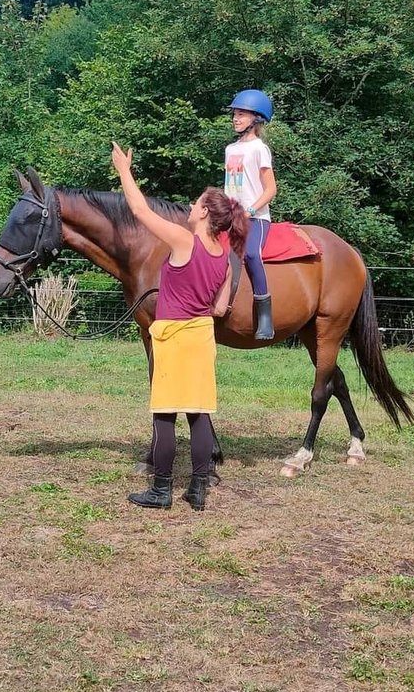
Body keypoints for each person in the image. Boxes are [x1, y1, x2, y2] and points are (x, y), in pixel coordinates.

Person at [111, 142, 249, 511]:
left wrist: (124, 170)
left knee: (164, 414)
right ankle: (199, 489)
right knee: (199, 413)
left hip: (173, 335)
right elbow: (221, 308)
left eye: (195, 202)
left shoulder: (184, 240)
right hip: (201, 336)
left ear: (204, 212)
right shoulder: (224, 257)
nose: (190, 206)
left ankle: (161, 490)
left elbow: (139, 209)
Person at [223, 89, 278, 340]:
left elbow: (271, 189)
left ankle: (265, 316)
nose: (235, 118)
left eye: (241, 114)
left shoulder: (259, 149)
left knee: (253, 254)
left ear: (256, 118)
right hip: (230, 216)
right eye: (235, 113)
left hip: (256, 218)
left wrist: (250, 211)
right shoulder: (230, 149)